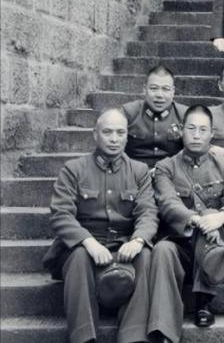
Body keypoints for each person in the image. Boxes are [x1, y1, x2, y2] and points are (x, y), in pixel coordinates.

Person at [44, 107, 158, 343]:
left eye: (120, 132)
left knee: (146, 254)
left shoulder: (139, 171)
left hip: (122, 244)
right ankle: (84, 337)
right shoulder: (74, 169)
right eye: (107, 132)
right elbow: (61, 214)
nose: (114, 139)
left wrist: (137, 240)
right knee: (78, 255)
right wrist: (89, 242)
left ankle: (133, 336)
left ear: (127, 136)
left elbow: (148, 212)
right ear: (95, 135)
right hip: (83, 246)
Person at [148, 106, 224, 342]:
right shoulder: (166, 167)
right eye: (191, 128)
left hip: (217, 248)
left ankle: (203, 301)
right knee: (162, 249)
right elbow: (168, 203)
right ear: (182, 131)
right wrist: (197, 220)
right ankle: (163, 328)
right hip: (183, 245)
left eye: (203, 130)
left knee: (212, 215)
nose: (196, 135)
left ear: (212, 134)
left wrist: (219, 217)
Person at [122, 65, 186, 168]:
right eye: (154, 88)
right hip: (134, 171)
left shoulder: (184, 115)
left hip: (171, 172)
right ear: (144, 89)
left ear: (173, 92)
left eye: (165, 89)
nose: (159, 95)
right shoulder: (129, 112)